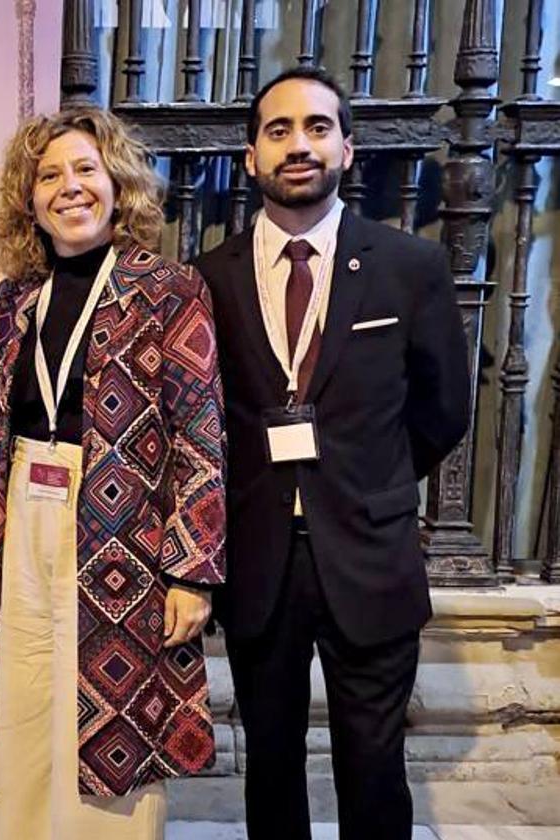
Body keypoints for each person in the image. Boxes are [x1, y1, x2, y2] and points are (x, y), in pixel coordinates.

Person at [193, 67, 470, 840]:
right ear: (249, 157)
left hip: (370, 554)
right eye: (277, 131)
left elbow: (442, 409)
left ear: (346, 148)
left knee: (374, 772)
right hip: (258, 563)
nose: (298, 146)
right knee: (270, 770)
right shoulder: (205, 279)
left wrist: (366, 482)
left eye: (316, 127)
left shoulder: (407, 268)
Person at [0, 107, 227, 839]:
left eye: (84, 169)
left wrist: (192, 570)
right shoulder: (14, 299)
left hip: (123, 537)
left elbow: (199, 433)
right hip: (22, 515)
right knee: (22, 699)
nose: (68, 188)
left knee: (112, 720)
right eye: (49, 176)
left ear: (116, 184)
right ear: (28, 198)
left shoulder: (168, 289)